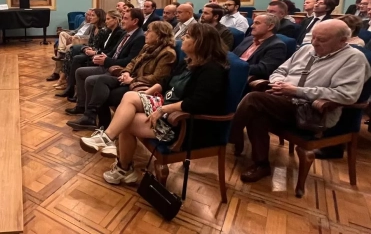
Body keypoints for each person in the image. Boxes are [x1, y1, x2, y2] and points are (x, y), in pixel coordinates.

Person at [79, 24, 229, 184]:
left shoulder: (212, 70)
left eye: (188, 36)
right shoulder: (190, 61)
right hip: (168, 106)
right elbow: (165, 81)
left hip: (184, 122)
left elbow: (197, 103)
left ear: (200, 42)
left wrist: (163, 109)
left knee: (125, 122)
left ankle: (123, 167)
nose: (183, 38)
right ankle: (109, 141)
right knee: (130, 97)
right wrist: (146, 93)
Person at [231, 20, 371, 182]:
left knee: (255, 99)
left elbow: (346, 95)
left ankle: (231, 134)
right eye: (314, 37)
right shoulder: (306, 49)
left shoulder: (354, 59)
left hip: (313, 111)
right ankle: (261, 164)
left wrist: (296, 91)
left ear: (342, 41)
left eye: (322, 40)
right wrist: (278, 83)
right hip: (284, 101)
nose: (315, 43)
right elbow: (280, 70)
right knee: (257, 112)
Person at [66, 21, 177, 132]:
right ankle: (92, 119)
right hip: (129, 78)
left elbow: (158, 78)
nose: (145, 34)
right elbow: (133, 62)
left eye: (149, 31)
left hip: (142, 85)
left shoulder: (167, 53)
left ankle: (101, 125)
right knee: (100, 80)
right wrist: (126, 72)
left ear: (159, 34)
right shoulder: (148, 47)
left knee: (104, 95)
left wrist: (132, 79)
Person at [65, 9, 146, 121]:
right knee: (80, 72)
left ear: (135, 21)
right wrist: (101, 56)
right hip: (110, 64)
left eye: (125, 18)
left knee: (90, 80)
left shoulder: (139, 37)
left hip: (119, 70)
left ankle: (91, 117)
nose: (122, 21)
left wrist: (106, 61)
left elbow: (129, 61)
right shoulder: (127, 33)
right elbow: (113, 51)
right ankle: (81, 106)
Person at [57, 10, 125, 98]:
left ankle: (70, 87)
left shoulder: (111, 31)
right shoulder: (107, 30)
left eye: (108, 19)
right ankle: (69, 86)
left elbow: (108, 50)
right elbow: (95, 44)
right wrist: (87, 48)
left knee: (77, 57)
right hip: (97, 52)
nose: (106, 21)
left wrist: (95, 52)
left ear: (115, 20)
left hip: (104, 57)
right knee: (73, 52)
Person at [54, 9, 107, 90]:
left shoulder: (103, 31)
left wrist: (90, 50)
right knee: (70, 52)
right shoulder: (93, 27)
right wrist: (86, 48)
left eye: (93, 16)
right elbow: (90, 41)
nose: (90, 17)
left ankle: (67, 82)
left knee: (72, 53)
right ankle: (64, 80)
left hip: (94, 52)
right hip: (88, 48)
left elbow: (101, 47)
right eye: (89, 15)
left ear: (99, 18)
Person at [233, 14, 287, 80]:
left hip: (244, 77)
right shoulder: (248, 39)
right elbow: (233, 56)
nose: (252, 26)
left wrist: (236, 66)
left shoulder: (277, 46)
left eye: (257, 23)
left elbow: (263, 69)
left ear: (270, 26)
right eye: (253, 23)